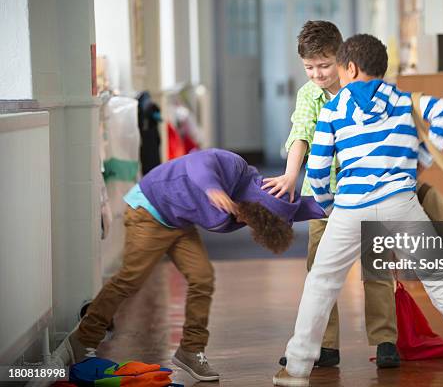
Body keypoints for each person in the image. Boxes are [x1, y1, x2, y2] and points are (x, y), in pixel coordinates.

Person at [273, 34, 443, 386]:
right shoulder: (404, 99)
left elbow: (317, 170)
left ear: (350, 68)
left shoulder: (335, 109)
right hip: (401, 204)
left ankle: (297, 368)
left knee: (321, 283)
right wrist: (420, 162)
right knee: (441, 280)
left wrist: (331, 205)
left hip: (349, 206)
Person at [60, 148, 325, 382]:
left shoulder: (256, 213)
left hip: (178, 223)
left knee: (203, 278)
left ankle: (190, 349)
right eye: (255, 218)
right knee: (131, 279)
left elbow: (305, 207)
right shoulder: (234, 167)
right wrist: (213, 188)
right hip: (150, 210)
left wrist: (344, 202)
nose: (247, 223)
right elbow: (198, 162)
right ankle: (83, 339)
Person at [263, 20, 400, 368]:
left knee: (377, 267)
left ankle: (385, 341)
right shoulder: (308, 95)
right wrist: (292, 174)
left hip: (369, 193)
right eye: (309, 67)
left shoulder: (366, 87)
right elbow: (301, 134)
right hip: (321, 198)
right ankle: (324, 346)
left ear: (342, 59)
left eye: (324, 65)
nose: (317, 74)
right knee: (319, 272)